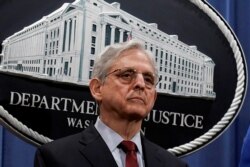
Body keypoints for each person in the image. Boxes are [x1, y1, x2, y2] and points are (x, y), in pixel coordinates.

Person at [34, 39, 188, 167]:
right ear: (97, 88)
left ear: (153, 98)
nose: (140, 84)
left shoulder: (174, 165)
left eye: (148, 79)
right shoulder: (55, 158)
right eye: (127, 75)